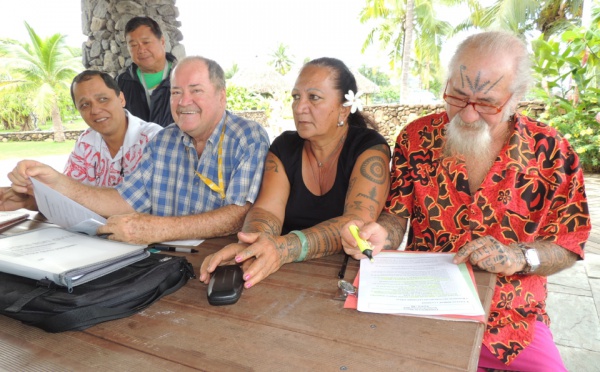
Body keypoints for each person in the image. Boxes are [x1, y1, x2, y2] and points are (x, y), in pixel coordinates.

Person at [342, 31, 590, 371]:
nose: (468, 115)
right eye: (457, 96)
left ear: (516, 97)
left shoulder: (552, 154)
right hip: (422, 302)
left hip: (510, 318)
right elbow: (396, 217)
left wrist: (519, 256)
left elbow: (568, 245)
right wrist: (381, 234)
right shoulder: (416, 139)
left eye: (487, 103)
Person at [6, 56, 271, 245]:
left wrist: (158, 229)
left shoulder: (247, 137)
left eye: (196, 91)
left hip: (220, 259)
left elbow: (239, 215)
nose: (183, 102)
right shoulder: (164, 141)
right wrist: (57, 182)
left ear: (221, 95)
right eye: (176, 92)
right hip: (164, 259)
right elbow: (125, 200)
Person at [200, 57, 390, 289]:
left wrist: (282, 248)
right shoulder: (285, 147)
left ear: (344, 109)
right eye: (296, 97)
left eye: (314, 98)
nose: (299, 107)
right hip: (282, 276)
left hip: (342, 278)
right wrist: (253, 246)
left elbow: (356, 222)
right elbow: (266, 210)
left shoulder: (369, 147)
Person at [0, 70, 162, 210]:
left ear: (121, 99)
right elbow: (68, 198)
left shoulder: (154, 140)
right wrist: (26, 200)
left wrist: (59, 183)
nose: (96, 110)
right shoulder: (86, 142)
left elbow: (148, 206)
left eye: (103, 99)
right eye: (85, 105)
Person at [116, 16, 175, 127]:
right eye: (133, 45)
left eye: (146, 42)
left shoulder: (183, 77)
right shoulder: (122, 82)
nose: (141, 50)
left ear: (162, 41)